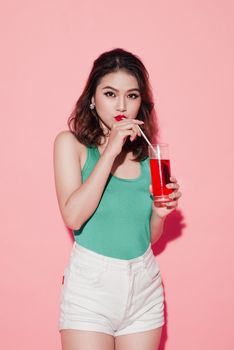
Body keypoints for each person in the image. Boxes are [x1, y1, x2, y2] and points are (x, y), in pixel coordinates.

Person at [53, 48, 182, 350]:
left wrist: (161, 213)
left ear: (141, 103)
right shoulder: (70, 144)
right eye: (110, 94)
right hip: (90, 289)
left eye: (132, 96)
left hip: (144, 287)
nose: (122, 105)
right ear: (92, 98)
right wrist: (110, 150)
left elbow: (148, 237)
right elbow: (73, 217)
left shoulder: (149, 156)